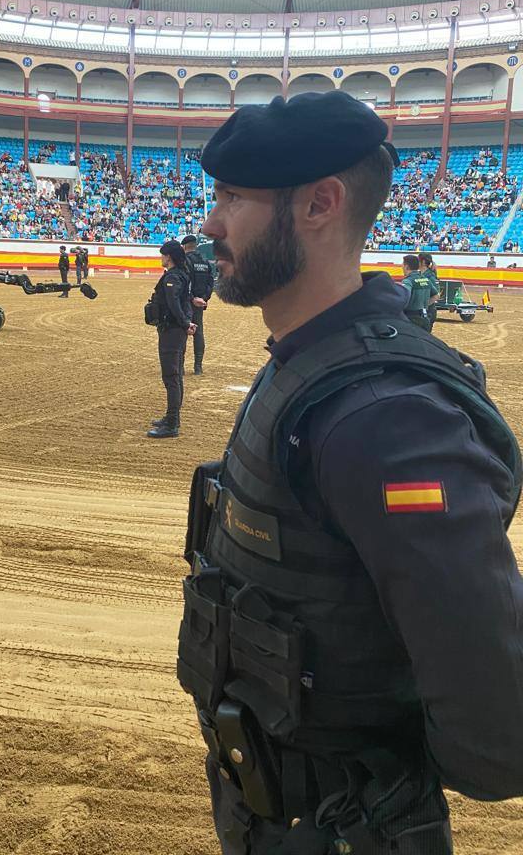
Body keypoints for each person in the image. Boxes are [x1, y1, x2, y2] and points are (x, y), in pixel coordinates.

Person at [178, 93, 523, 855]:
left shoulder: (384, 414)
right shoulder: (305, 368)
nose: (210, 223)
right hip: (286, 814)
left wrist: (373, 780)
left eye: (233, 197)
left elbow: (495, 727)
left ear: (320, 204)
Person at [146, 240, 195, 439]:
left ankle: (172, 422)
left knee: (171, 376)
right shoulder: (181, 274)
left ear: (169, 257)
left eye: (162, 255)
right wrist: (187, 322)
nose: (161, 258)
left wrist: (184, 323)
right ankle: (171, 417)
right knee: (175, 376)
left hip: (172, 331)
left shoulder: (173, 277)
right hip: (176, 330)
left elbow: (174, 303)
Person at [182, 234, 215, 374]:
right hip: (200, 303)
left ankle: (180, 366)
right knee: (199, 333)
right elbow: (210, 282)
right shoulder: (205, 262)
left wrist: (191, 298)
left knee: (181, 331)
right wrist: (204, 299)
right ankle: (198, 367)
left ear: (184, 247)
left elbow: (184, 282)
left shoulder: (185, 261)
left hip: (186, 302)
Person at [401, 253, 437, 331]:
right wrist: (423, 305)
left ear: (406, 267)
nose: (402, 268)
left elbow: (404, 295)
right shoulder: (425, 279)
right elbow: (436, 295)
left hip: (411, 318)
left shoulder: (408, 281)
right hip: (425, 318)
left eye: (402, 266)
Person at [419, 250, 441, 328]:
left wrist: (424, 305)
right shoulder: (421, 275)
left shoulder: (430, 276)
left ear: (423, 262)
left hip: (428, 312)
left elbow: (437, 295)